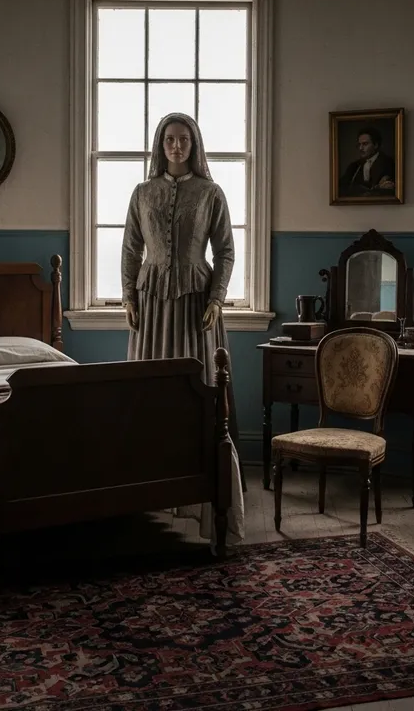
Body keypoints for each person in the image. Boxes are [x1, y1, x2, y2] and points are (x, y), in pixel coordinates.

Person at [121, 111, 245, 543]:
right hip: (151, 306)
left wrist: (216, 298)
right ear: (160, 144)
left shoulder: (211, 192)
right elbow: (131, 248)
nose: (176, 146)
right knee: (150, 391)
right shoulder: (142, 192)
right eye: (170, 139)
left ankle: (204, 489)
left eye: (184, 140)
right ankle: (151, 487)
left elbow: (226, 251)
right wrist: (128, 297)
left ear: (194, 144)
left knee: (200, 391)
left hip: (197, 306)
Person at [339, 127, 396, 197]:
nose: (360, 148)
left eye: (365, 144)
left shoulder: (389, 163)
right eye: (359, 144)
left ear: (376, 145)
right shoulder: (354, 166)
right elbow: (342, 188)